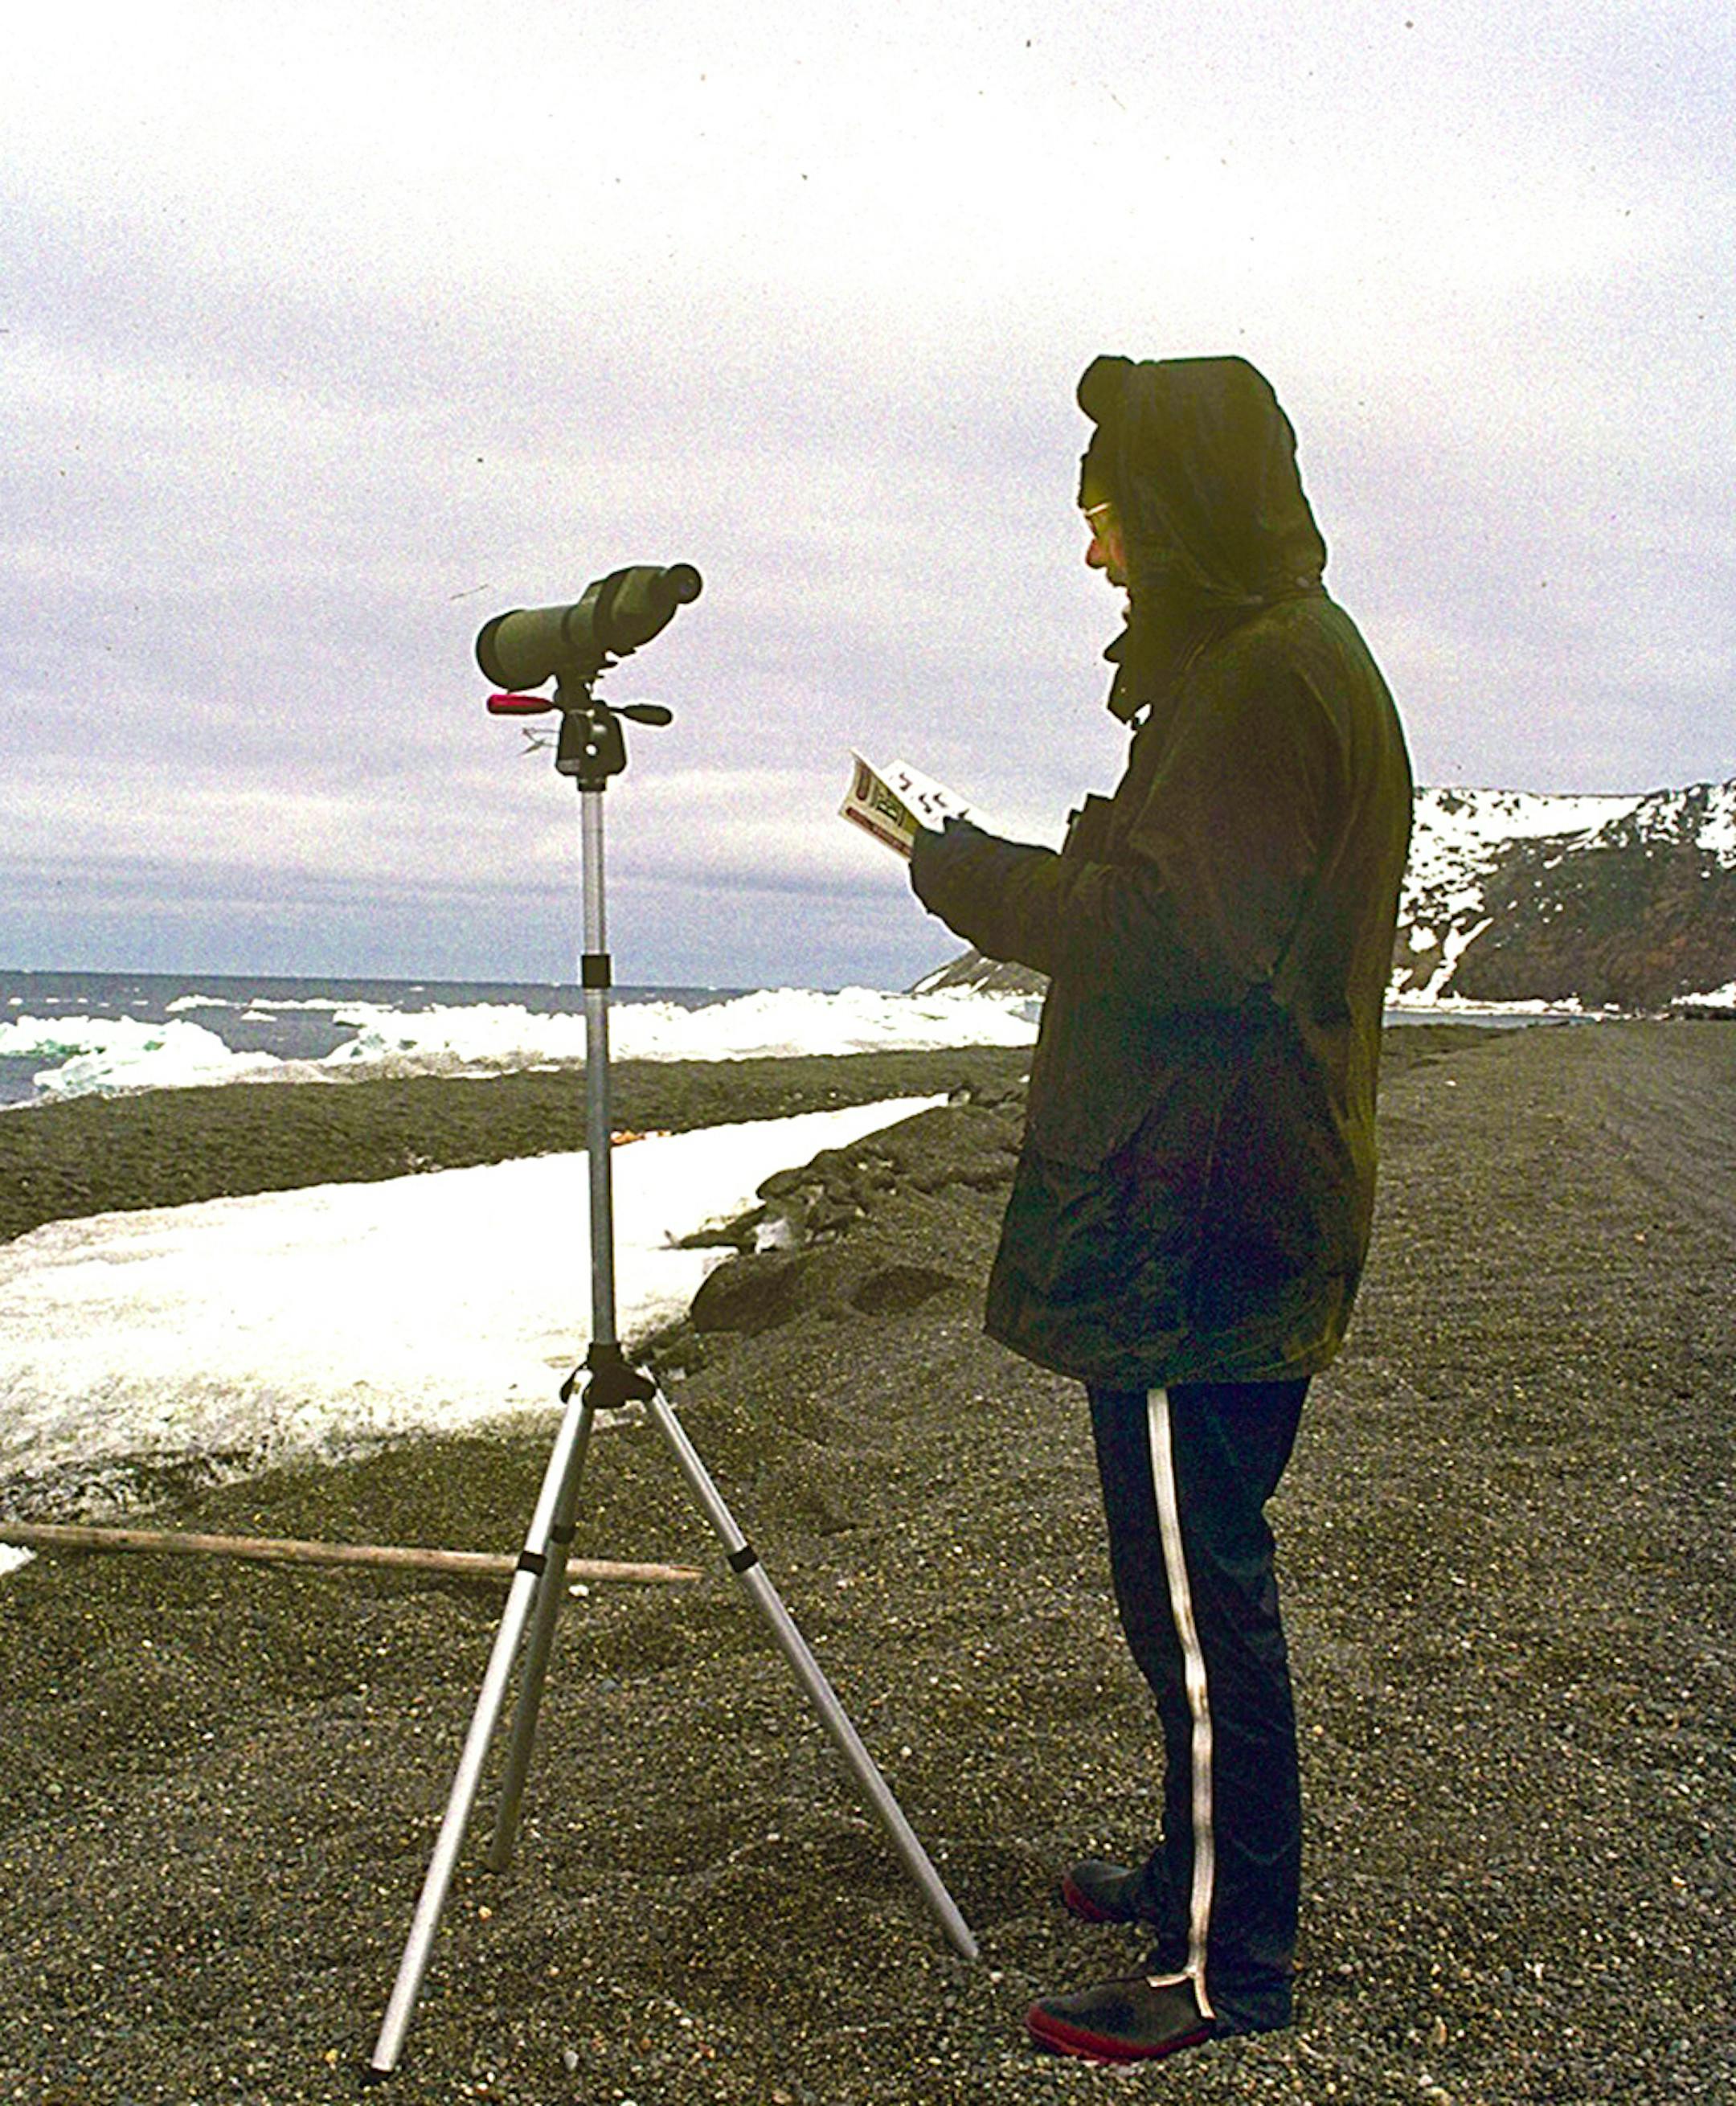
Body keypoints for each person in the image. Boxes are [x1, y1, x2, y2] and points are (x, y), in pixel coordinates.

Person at [907, 353, 1413, 2063]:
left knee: (1202, 1590)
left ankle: (1227, 1964)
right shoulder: (1264, 667)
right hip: (1223, 1199)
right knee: (1180, 1579)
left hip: (1208, 1214)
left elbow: (1171, 943)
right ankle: (1193, 1868)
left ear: (1179, 513)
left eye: (1111, 519)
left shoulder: (1272, 681)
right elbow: (1196, 902)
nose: (1097, 556)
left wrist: (961, 870)